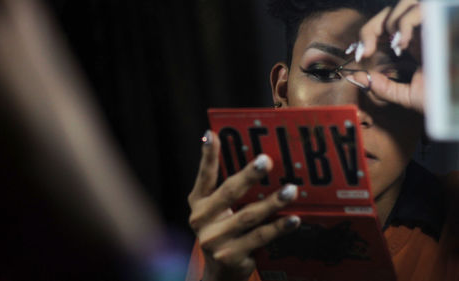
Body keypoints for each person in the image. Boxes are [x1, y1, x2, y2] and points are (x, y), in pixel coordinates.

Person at [185, 0, 459, 280]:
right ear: (282, 90)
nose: (353, 112)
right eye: (323, 72)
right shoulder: (233, 230)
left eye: (394, 77)